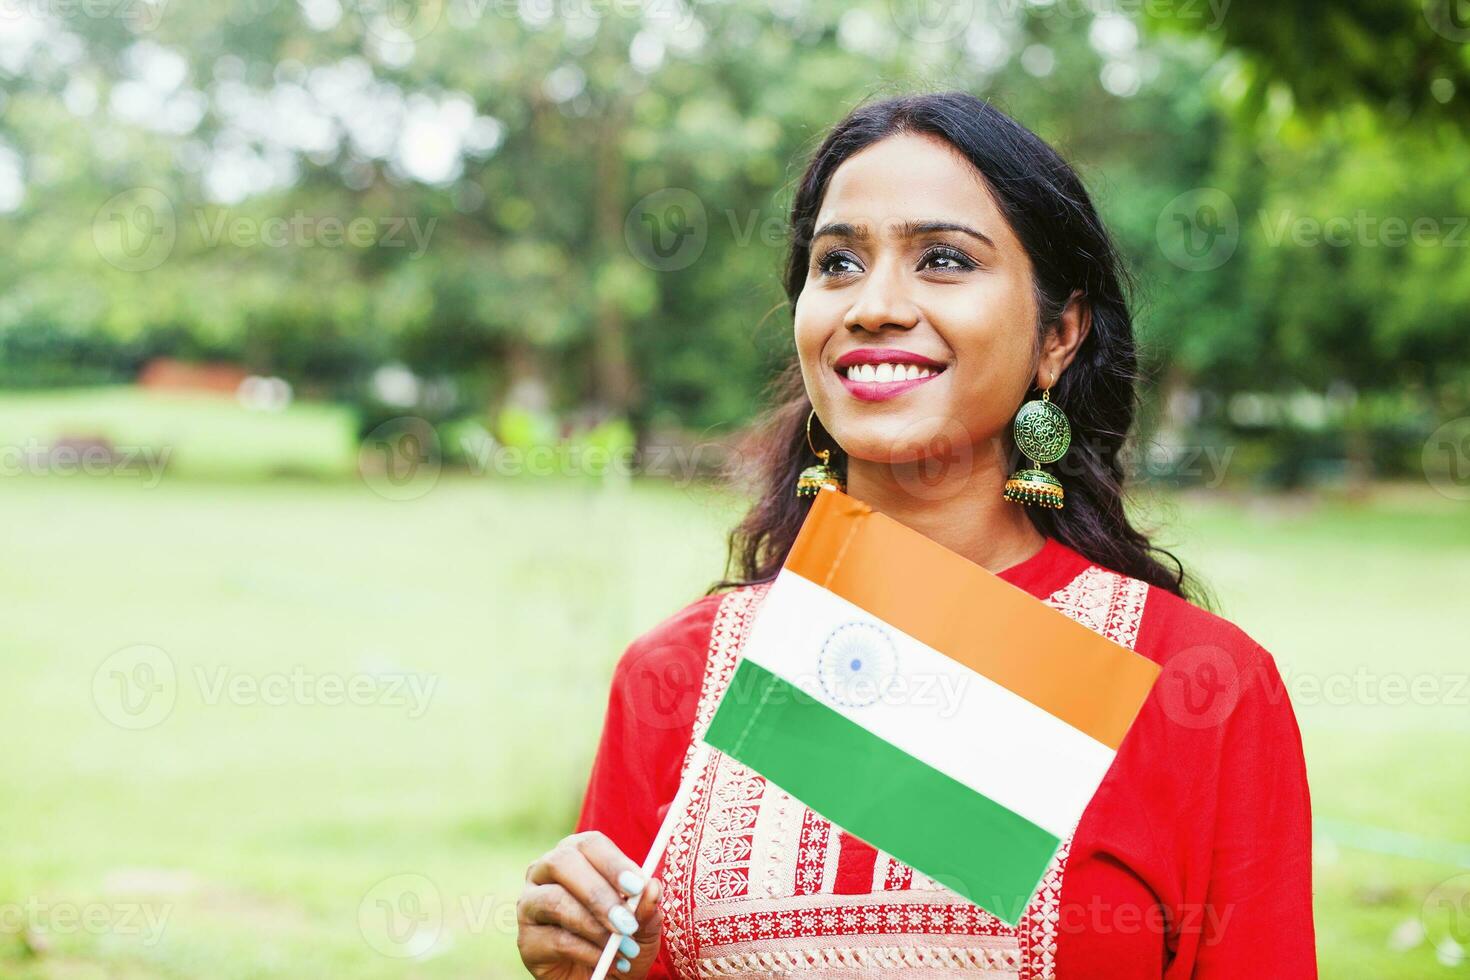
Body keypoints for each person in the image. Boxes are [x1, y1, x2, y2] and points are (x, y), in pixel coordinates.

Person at [516, 91, 1315, 979]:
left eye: (941, 259)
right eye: (838, 264)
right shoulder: (679, 679)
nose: (875, 306)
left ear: (1059, 334)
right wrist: (586, 963)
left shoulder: (1199, 687)